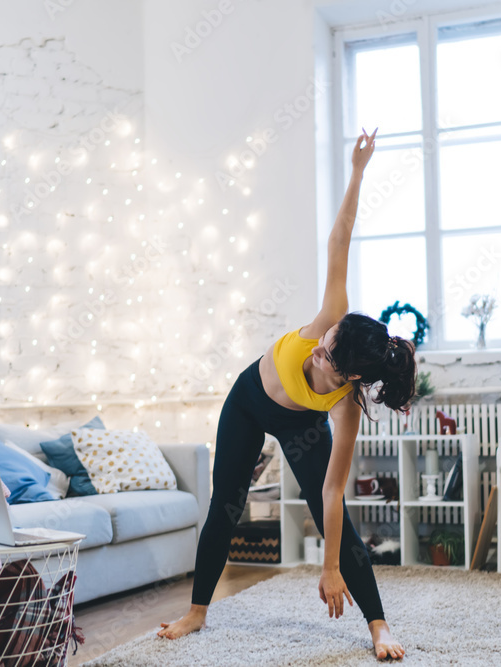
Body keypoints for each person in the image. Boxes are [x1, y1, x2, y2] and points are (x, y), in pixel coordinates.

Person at [158, 128, 415, 661]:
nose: (319, 346)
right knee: (226, 507)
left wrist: (329, 569)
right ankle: (197, 612)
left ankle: (379, 625)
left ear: (346, 378)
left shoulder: (345, 409)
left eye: (328, 354)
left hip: (301, 425)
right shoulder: (332, 318)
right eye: (329, 339)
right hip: (250, 401)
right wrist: (358, 171)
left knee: (335, 519)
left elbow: (330, 492)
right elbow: (339, 236)